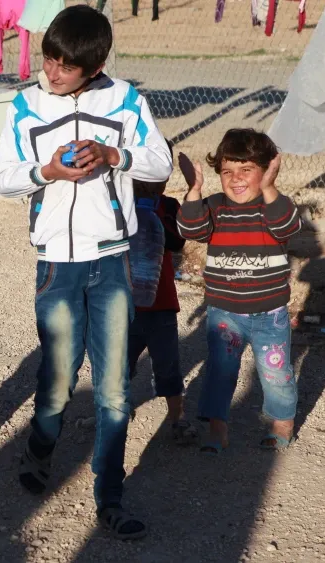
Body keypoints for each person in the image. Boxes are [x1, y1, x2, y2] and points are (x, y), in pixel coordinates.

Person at [0, 4, 173, 540]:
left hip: (112, 259)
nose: (52, 71)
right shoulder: (25, 103)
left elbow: (160, 163)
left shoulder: (125, 100)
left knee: (115, 387)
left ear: (92, 68)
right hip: (56, 263)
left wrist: (114, 154)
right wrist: (44, 172)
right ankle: (40, 448)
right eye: (48, 59)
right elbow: (2, 178)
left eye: (65, 66)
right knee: (59, 380)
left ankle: (110, 496)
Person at [176, 128, 303, 455]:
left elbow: (289, 227)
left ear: (267, 170)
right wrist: (193, 191)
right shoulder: (215, 207)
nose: (236, 179)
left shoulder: (273, 207)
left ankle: (281, 423)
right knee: (220, 370)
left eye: (246, 170)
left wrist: (270, 189)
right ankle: (218, 430)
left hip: (270, 313)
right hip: (225, 311)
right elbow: (190, 229)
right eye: (227, 172)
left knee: (275, 370)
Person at [127, 141, 199, 445]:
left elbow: (178, 242)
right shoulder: (116, 204)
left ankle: (176, 418)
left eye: (154, 171)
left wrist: (152, 214)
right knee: (117, 366)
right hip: (122, 306)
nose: (146, 181)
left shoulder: (167, 206)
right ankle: (112, 411)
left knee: (168, 364)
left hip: (161, 305)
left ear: (165, 175)